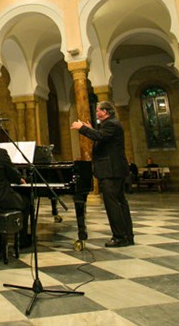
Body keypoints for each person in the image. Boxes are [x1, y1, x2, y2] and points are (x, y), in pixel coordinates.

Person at [72, 101, 134, 247]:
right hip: (114, 170)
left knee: (113, 204)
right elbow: (102, 136)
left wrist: (82, 128)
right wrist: (91, 129)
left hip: (111, 170)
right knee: (120, 203)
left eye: (98, 110)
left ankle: (120, 237)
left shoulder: (111, 124)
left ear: (105, 112)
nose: (96, 113)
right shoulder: (111, 124)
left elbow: (100, 136)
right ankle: (127, 235)